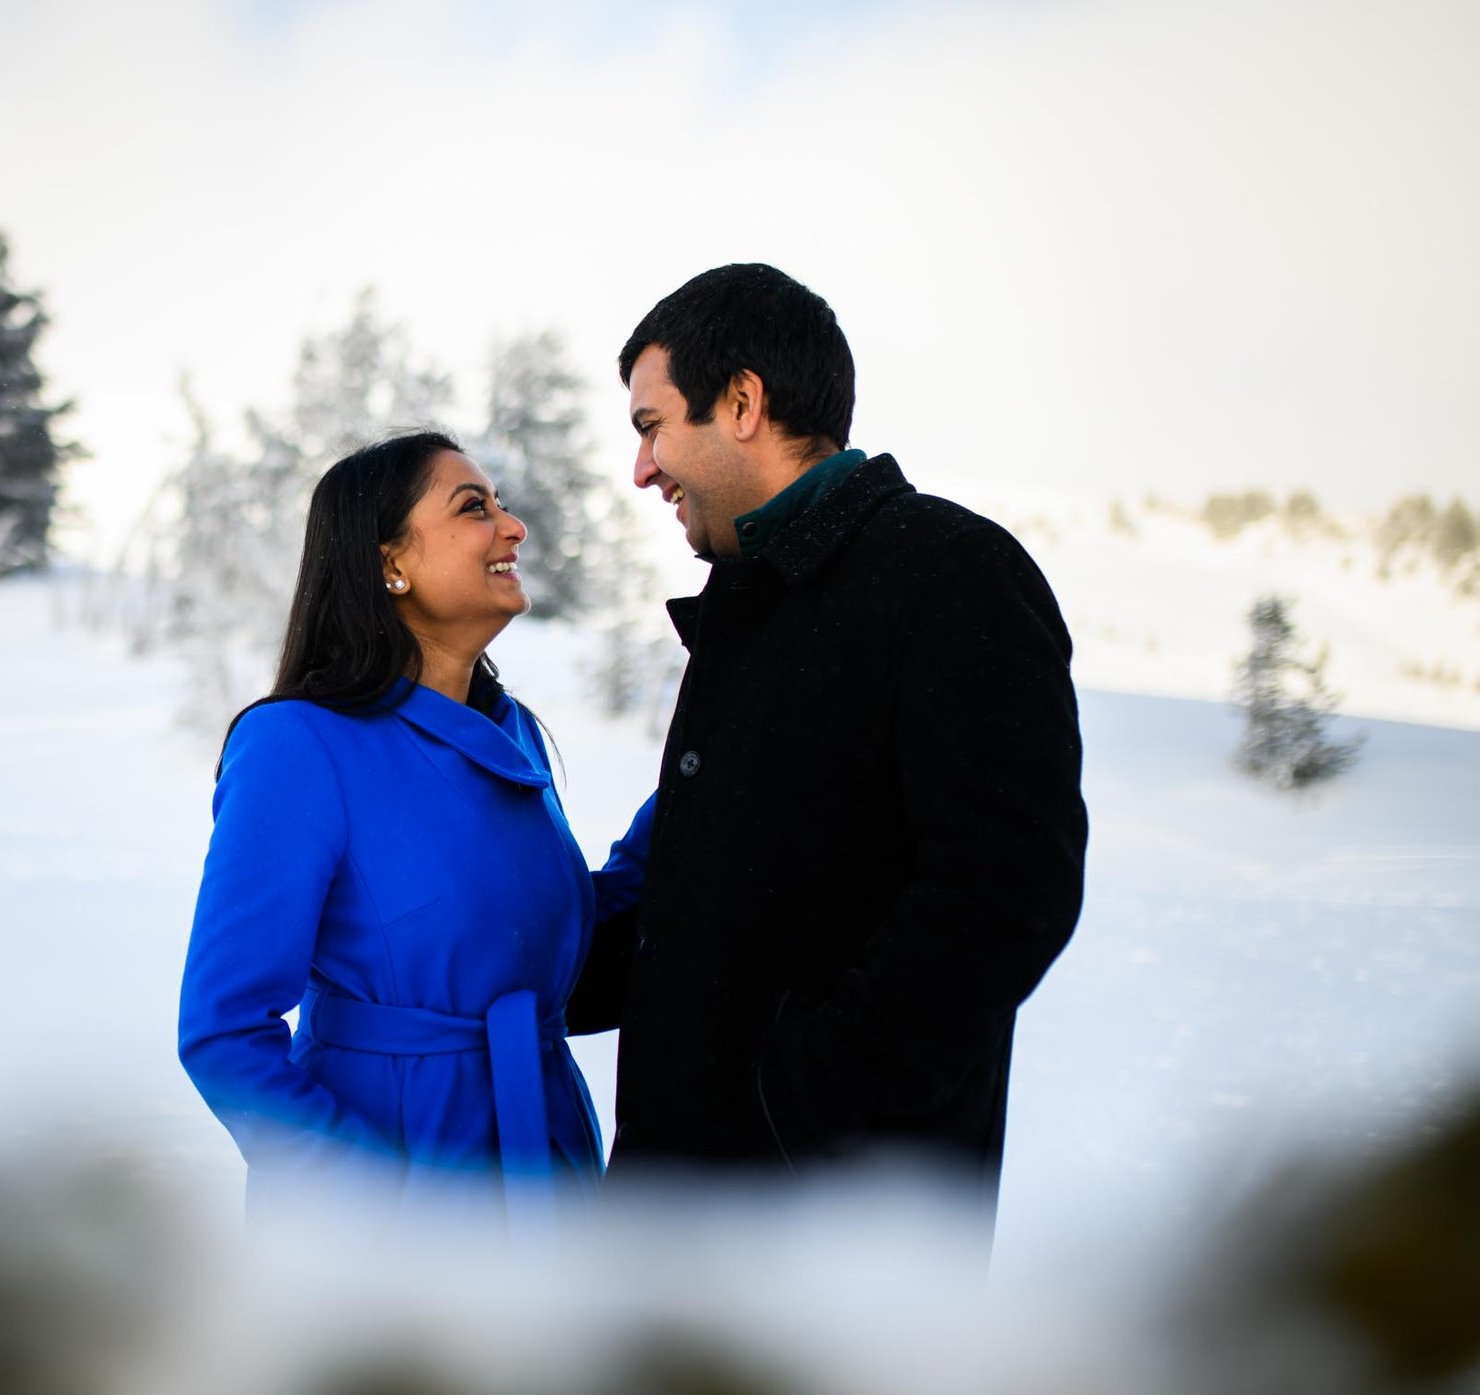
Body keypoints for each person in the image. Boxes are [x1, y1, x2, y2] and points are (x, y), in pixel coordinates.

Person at [574, 263, 1086, 1205]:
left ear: (741, 402)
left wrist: (804, 1104)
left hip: (830, 1237)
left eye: (652, 427)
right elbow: (702, 888)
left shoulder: (947, 573)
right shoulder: (752, 599)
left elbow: (1008, 888)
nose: (642, 468)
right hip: (677, 1217)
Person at [178, 431, 651, 1230]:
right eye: (474, 507)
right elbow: (223, 1032)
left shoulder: (511, 732)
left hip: (547, 1169)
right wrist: (372, 1196)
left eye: (500, 505)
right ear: (388, 562)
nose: (513, 527)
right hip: (392, 1205)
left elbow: (546, 943)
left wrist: (696, 789)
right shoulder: (300, 745)